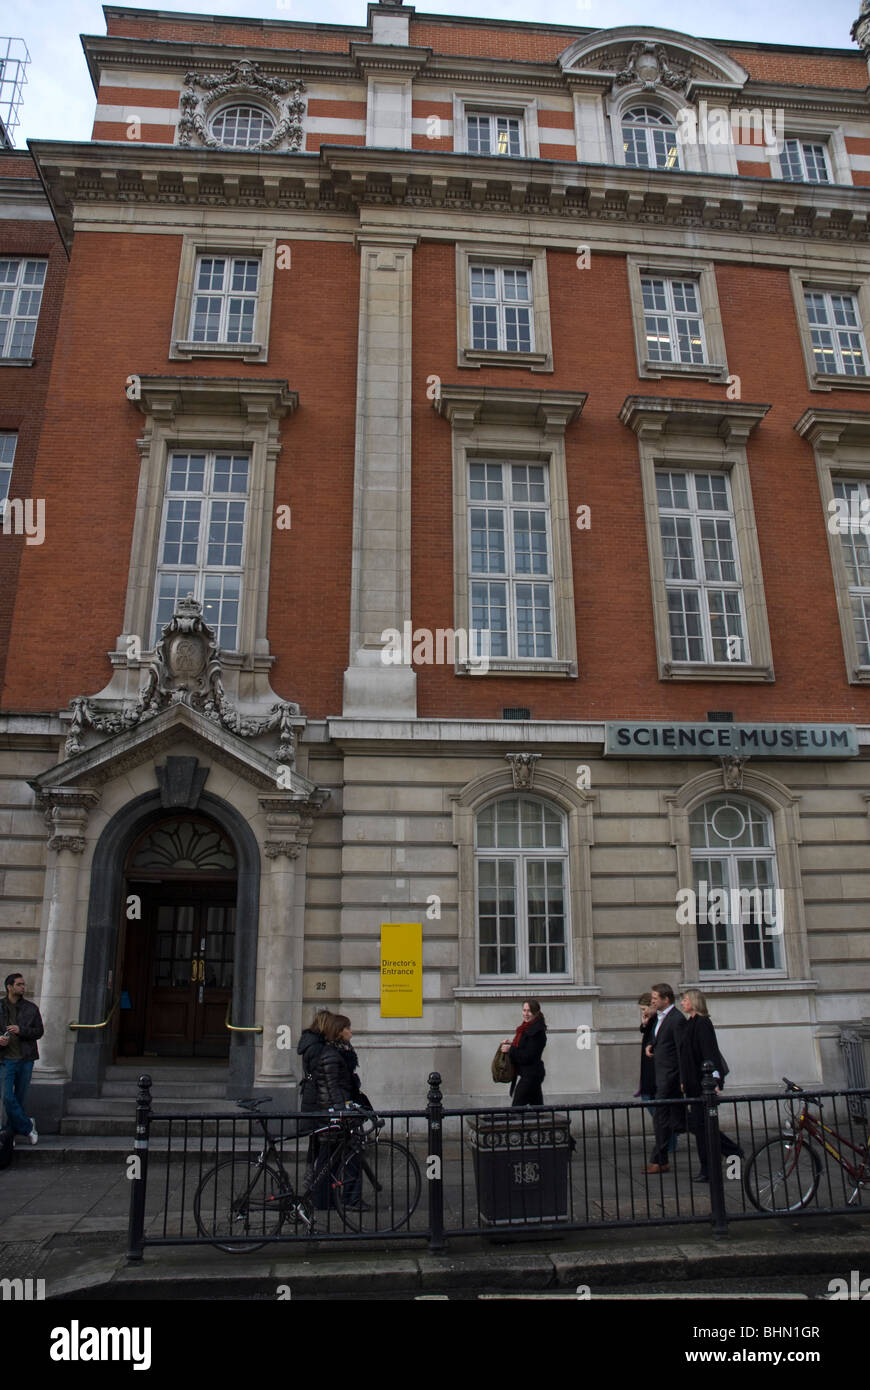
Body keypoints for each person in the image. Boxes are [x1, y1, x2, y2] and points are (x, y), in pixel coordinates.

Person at [678, 989, 742, 1183]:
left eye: (685, 1000)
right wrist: (684, 1080)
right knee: (701, 1126)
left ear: (694, 1002)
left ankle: (712, 1165)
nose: (682, 1003)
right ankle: (729, 1153)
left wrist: (714, 1081)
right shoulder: (689, 1023)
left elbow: (709, 1052)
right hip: (692, 1083)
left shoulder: (703, 1023)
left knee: (703, 1127)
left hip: (702, 1084)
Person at [644, 982, 687, 1174]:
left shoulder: (676, 1019)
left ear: (666, 999)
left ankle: (659, 1160)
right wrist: (651, 1045)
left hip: (670, 1078)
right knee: (684, 1121)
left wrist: (682, 1079)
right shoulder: (661, 1017)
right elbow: (661, 1038)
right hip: (662, 1075)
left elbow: (681, 1051)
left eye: (655, 998)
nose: (652, 1001)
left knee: (661, 1118)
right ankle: (728, 1148)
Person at [0, 973, 44, 1145]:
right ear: (9, 987)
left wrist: (21, 1030)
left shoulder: (31, 1008)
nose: (23, 987)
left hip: (26, 1058)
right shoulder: (1, 1006)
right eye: (19, 984)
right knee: (7, 1097)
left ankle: (9, 1134)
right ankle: (27, 1126)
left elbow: (39, 1032)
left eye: (23, 984)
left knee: (19, 1098)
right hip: (5, 1059)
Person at [636, 992, 679, 1156]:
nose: (643, 1012)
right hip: (650, 1072)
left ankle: (669, 1140)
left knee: (660, 1111)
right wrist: (644, 1023)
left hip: (657, 1072)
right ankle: (669, 1139)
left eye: (644, 1008)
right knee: (656, 1108)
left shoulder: (662, 1020)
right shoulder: (653, 1021)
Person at [500, 999, 547, 1107]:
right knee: (537, 1109)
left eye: (529, 1011)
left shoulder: (537, 1031)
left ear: (536, 1013)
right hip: (531, 1074)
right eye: (524, 1010)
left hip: (531, 1075)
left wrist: (510, 1049)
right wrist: (511, 1045)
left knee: (516, 1109)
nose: (526, 1014)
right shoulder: (526, 1028)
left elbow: (528, 1056)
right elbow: (523, 1047)